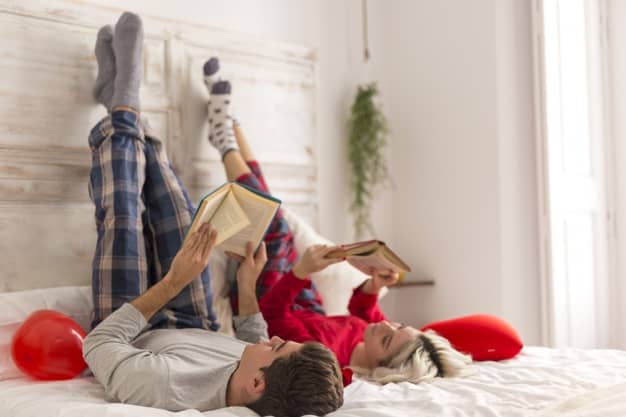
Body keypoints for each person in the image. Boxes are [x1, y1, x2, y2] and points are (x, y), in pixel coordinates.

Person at [82, 12, 343, 417]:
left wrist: (173, 281)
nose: (270, 340)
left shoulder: (168, 389)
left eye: (276, 346)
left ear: (256, 385)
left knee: (124, 215)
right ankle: (121, 103)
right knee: (186, 214)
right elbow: (253, 336)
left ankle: (124, 99)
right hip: (194, 319)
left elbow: (97, 345)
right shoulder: (258, 370)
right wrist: (246, 283)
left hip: (132, 329)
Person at [201, 60, 473, 385]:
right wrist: (374, 285)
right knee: (274, 209)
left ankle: (226, 134)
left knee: (274, 221)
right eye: (398, 326)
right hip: (300, 295)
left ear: (380, 369)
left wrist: (302, 272)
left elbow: (273, 316)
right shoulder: (370, 334)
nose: (386, 326)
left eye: (388, 339)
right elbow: (363, 312)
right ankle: (229, 129)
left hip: (266, 297)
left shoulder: (325, 358)